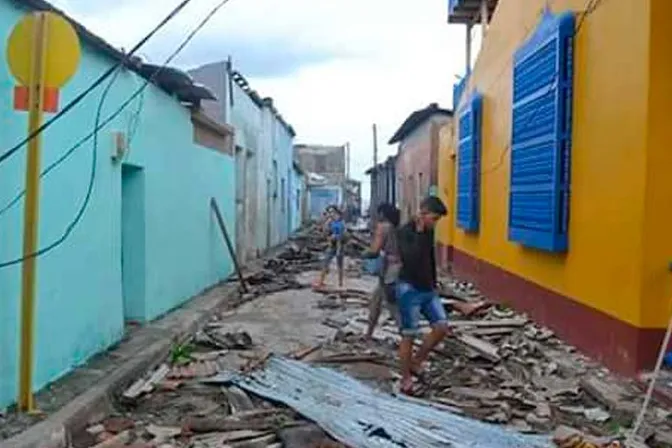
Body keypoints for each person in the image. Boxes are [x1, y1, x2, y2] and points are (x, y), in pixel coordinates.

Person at [395, 196, 450, 395]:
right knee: (408, 334)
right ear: (422, 213)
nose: (435, 224)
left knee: (441, 326)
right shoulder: (404, 232)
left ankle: (416, 361)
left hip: (427, 289)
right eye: (433, 219)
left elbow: (428, 259)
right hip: (409, 289)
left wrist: (434, 284)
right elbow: (411, 259)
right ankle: (405, 378)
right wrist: (419, 233)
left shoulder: (429, 231)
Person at [362, 203, 402, 339]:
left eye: (379, 213)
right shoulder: (397, 228)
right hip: (397, 267)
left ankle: (406, 337)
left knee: (393, 306)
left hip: (389, 271)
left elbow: (374, 251)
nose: (377, 216)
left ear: (383, 214)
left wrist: (364, 253)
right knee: (376, 300)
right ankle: (368, 334)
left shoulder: (383, 227)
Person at [313, 206, 346, 290]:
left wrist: (337, 237)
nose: (331, 214)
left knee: (340, 264)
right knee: (325, 262)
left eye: (332, 212)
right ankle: (321, 281)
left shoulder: (341, 222)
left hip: (340, 245)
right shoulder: (330, 222)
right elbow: (325, 232)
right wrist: (326, 224)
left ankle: (340, 282)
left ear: (336, 212)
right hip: (332, 244)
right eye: (330, 212)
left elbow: (344, 234)